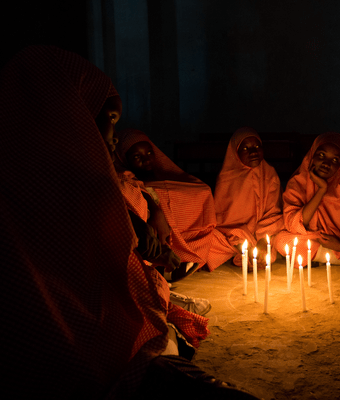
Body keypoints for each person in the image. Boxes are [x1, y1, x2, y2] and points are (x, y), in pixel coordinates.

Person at [0, 45, 255, 399]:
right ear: (71, 110)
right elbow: (114, 266)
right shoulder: (83, 179)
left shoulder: (31, 169)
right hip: (73, 343)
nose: (112, 134)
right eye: (111, 118)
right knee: (156, 342)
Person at [116, 129, 233, 274]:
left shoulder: (160, 174)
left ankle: (191, 253)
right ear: (123, 158)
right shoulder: (124, 179)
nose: (146, 159)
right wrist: (156, 210)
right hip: (150, 230)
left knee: (203, 193)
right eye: (136, 156)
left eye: (149, 153)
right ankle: (167, 259)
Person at [272, 132, 340, 279]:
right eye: (321, 155)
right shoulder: (299, 181)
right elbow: (293, 224)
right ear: (312, 155)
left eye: (335, 160)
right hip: (315, 240)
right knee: (282, 240)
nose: (326, 163)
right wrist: (321, 190)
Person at [212, 127, 283, 269]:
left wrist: (262, 241)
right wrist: (242, 244)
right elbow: (223, 222)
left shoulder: (269, 174)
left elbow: (274, 214)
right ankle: (244, 253)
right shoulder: (227, 178)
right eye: (245, 148)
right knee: (210, 240)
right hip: (233, 238)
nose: (253, 152)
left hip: (263, 234)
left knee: (284, 239)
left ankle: (253, 254)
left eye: (257, 146)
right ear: (235, 153)